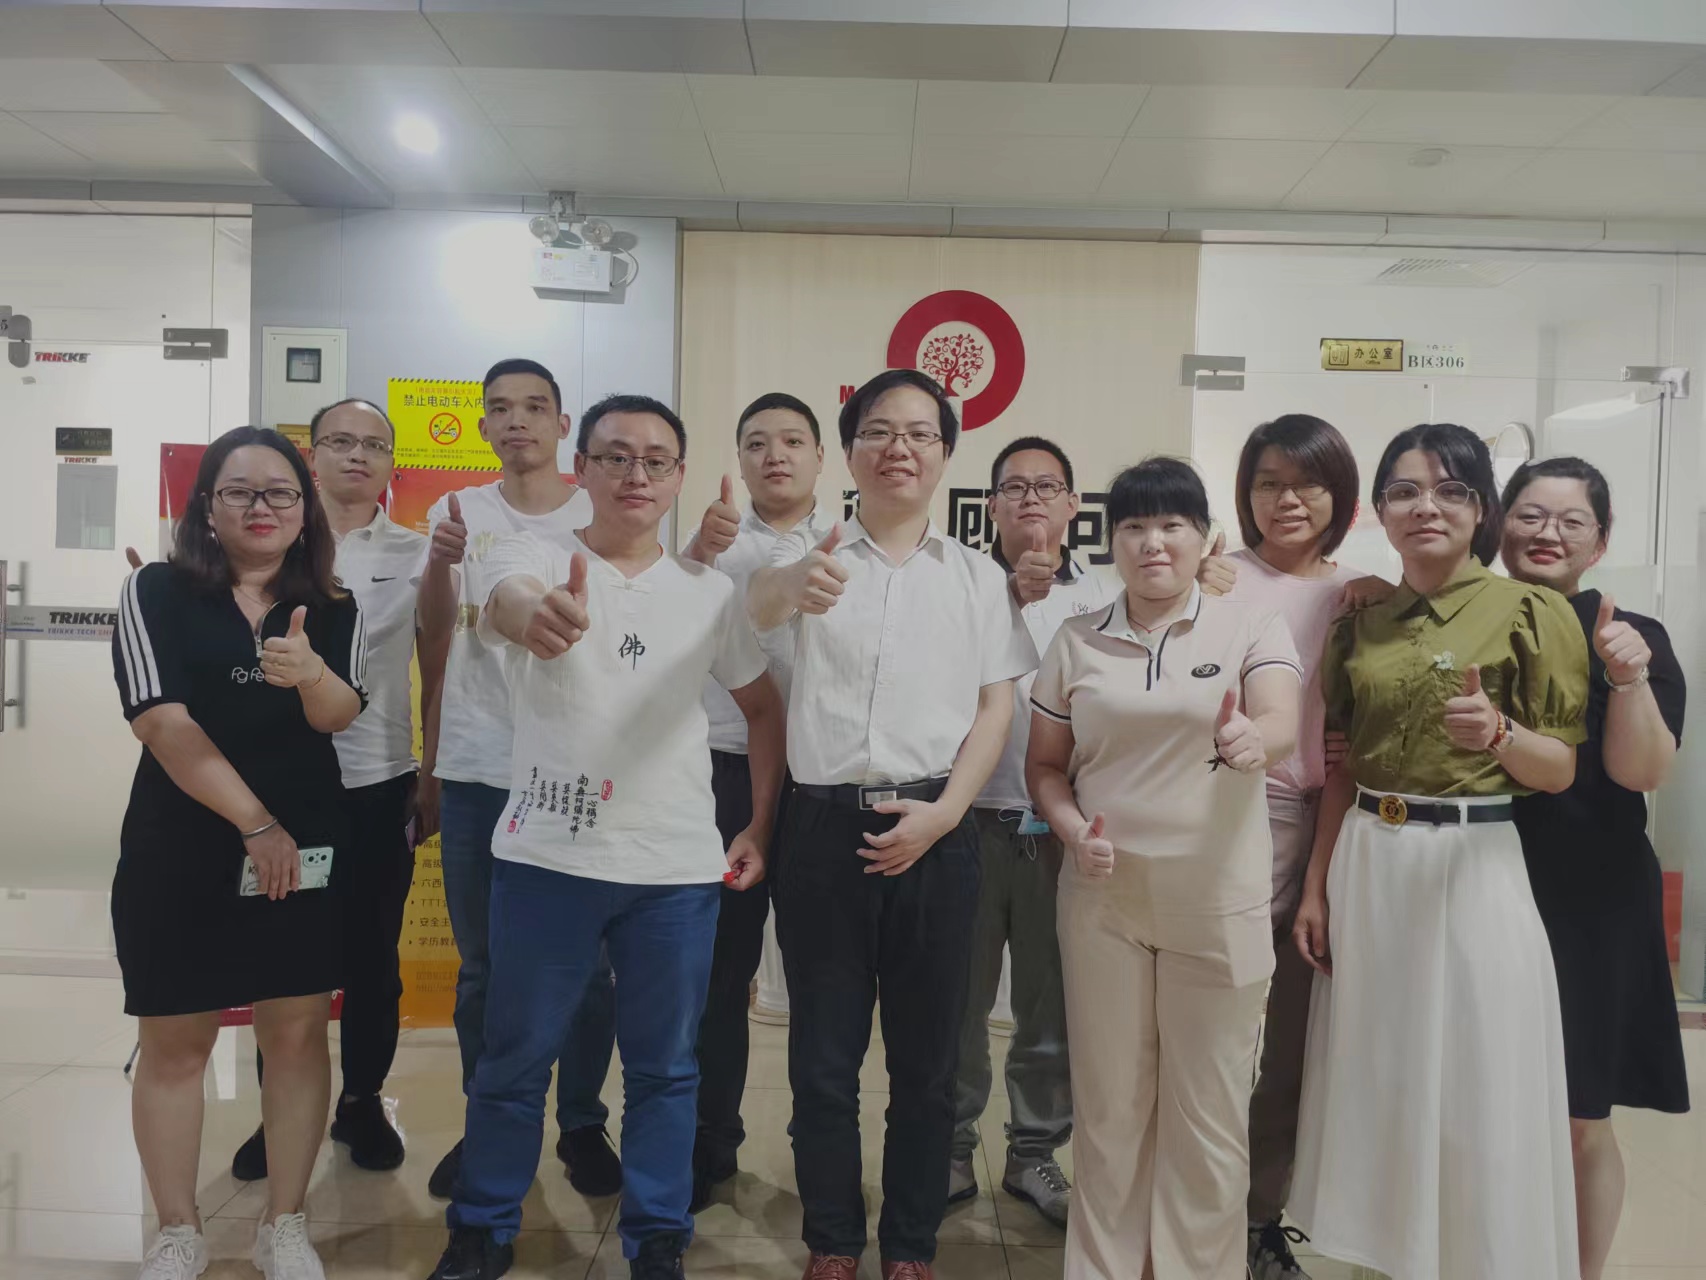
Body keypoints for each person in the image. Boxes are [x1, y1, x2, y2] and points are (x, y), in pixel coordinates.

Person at [427, 395, 786, 1280]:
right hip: (548, 859)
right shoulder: (532, 555)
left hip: (674, 872)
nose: (636, 474)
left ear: (678, 478)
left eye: (656, 460)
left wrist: (758, 822)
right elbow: (508, 602)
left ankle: (657, 1236)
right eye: (616, 456)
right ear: (580, 466)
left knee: (665, 1068)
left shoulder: (709, 592)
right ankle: (483, 1228)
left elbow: (761, 707)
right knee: (514, 1061)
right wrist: (536, 616)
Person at [748, 368, 1037, 1280]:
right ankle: (834, 1238)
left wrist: (945, 814)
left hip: (937, 830)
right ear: (850, 451)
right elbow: (753, 613)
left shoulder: (976, 576)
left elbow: (995, 708)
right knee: (822, 1062)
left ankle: (910, 1245)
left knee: (927, 1066)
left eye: (919, 433)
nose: (898, 448)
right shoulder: (810, 558)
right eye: (878, 431)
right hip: (821, 831)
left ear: (946, 454)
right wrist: (790, 583)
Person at [1290, 424, 1591, 1280]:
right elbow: (1343, 768)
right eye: (1405, 491)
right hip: (1369, 859)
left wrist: (1498, 733)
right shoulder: (1361, 621)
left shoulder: (1529, 612)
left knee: (1478, 1072)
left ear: (1481, 509)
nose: (1426, 507)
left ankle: (1476, 1257)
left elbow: (1560, 769)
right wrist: (1315, 887)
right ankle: (1383, 1257)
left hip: (1474, 863)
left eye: (1451, 490)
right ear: (1379, 510)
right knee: (1379, 1069)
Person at [1026, 457, 1302, 1280]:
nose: (1153, 543)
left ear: (1203, 536)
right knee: (1110, 1108)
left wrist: (1256, 740)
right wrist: (1071, 829)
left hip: (1217, 903)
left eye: (1172, 525)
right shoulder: (1077, 639)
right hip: (1103, 902)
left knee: (1209, 1117)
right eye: (1135, 526)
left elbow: (1280, 718)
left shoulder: (1250, 625)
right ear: (1111, 541)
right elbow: (1046, 767)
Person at [115, 427, 367, 1280]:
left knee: (296, 1035)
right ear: (207, 507)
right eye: (239, 491)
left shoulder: (332, 604)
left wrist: (309, 674)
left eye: (280, 492)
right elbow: (161, 722)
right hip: (183, 843)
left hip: (305, 846)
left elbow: (339, 715)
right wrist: (257, 826)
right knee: (175, 1038)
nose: (262, 507)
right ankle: (178, 1231)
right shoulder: (156, 591)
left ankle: (283, 1224)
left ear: (305, 510)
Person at [415, 358, 620, 1201]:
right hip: (476, 767)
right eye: (500, 408)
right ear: (483, 425)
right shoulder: (458, 511)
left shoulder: (598, 509)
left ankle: (581, 1123)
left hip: (573, 772)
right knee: (484, 969)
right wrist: (440, 564)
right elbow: (435, 638)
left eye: (535, 407)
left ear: (563, 424)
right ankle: (490, 1124)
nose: (517, 421)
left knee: (589, 969)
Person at [227, 399, 432, 1182]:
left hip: (378, 781)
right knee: (281, 958)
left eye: (374, 444)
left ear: (391, 463)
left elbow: (438, 664)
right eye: (340, 442)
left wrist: (431, 773)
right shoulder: (271, 541)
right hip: (283, 788)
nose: (357, 455)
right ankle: (277, 1112)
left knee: (373, 956)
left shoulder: (417, 554)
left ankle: (361, 1102)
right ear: (311, 456)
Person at [1193, 415, 1375, 1280]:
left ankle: (1261, 1219)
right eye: (1268, 482)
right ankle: (1194, 1214)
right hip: (1232, 812)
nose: (1287, 499)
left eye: (1307, 483)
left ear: (1341, 495)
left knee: (1295, 1042)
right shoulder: (1218, 580)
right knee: (1212, 1030)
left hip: (1335, 820)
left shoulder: (1364, 597)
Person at [1501, 457, 1688, 1280]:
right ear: (1499, 523)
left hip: (1593, 894)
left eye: (1571, 521)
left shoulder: (1633, 634)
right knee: (1486, 1099)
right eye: (1531, 514)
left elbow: (1643, 772)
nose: (1548, 533)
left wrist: (1628, 674)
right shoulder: (1463, 621)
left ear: (1600, 542)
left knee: (1583, 1113)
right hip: (1482, 883)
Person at [947, 435, 1115, 1229]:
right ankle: (950, 1147)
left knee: (1052, 1008)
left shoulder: (1108, 596)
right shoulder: (961, 584)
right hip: (969, 823)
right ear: (991, 507)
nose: (1031, 501)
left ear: (1075, 505)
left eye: (1048, 487)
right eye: (1014, 488)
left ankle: (1034, 1153)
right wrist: (1009, 600)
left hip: (1061, 832)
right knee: (958, 1003)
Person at [681, 391, 832, 1213]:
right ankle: (710, 1143)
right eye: (757, 443)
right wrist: (696, 557)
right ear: (738, 460)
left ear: (820, 458)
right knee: (719, 976)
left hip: (819, 783)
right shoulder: (712, 548)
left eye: (792, 441)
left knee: (823, 982)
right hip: (722, 777)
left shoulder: (851, 546)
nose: (775, 455)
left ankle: (821, 1153)